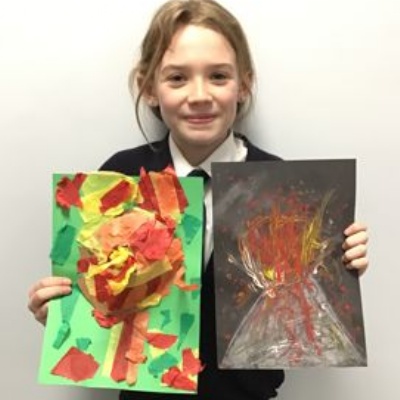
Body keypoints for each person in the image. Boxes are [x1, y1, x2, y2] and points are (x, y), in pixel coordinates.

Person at [28, 1, 369, 399]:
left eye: (218, 76)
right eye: (177, 78)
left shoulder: (280, 189)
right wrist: (63, 313)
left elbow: (299, 313)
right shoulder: (120, 180)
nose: (200, 95)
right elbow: (101, 302)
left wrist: (339, 265)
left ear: (243, 84)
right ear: (149, 87)